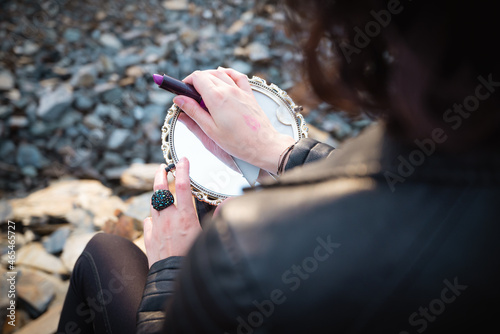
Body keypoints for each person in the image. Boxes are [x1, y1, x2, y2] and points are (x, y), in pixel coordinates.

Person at [57, 0, 500, 333]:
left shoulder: (248, 253)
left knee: (104, 253)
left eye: (396, 49)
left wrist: (171, 266)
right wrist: (276, 150)